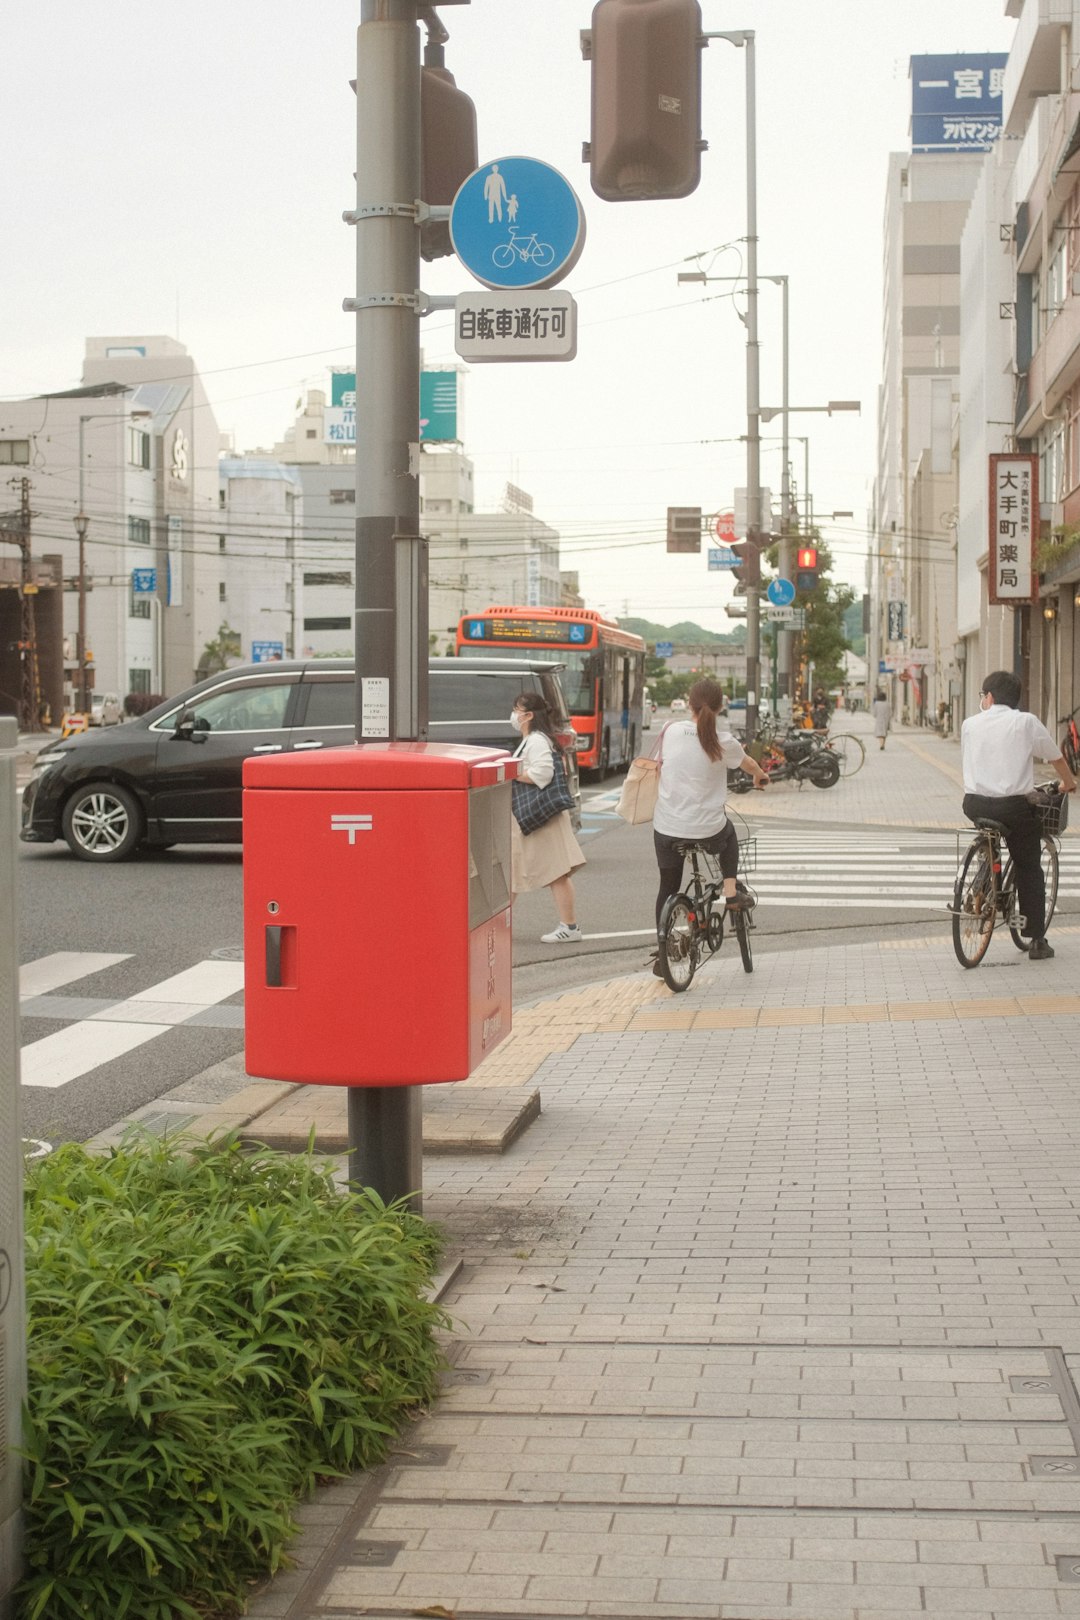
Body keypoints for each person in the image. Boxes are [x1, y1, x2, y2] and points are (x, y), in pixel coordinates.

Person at [652, 678, 769, 974]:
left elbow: (656, 767)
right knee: (729, 835)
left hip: (667, 826)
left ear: (689, 703)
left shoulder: (670, 730)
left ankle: (662, 953)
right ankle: (730, 892)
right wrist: (760, 777)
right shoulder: (724, 741)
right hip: (708, 829)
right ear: (721, 706)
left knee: (668, 886)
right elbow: (750, 766)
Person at [960, 670, 1077, 961]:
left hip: (974, 803)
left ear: (989, 697)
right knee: (1028, 866)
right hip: (1013, 807)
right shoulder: (1025, 722)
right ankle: (1035, 939)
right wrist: (1069, 782)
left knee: (991, 835)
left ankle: (985, 879)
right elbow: (1056, 757)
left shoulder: (969, 724)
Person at [510, 691, 586, 944]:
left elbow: (542, 773)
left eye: (517, 710)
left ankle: (570, 927)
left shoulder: (536, 741)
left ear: (529, 715)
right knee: (519, 871)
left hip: (541, 816)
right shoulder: (534, 739)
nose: (514, 715)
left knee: (554, 873)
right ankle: (499, 925)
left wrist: (512, 772)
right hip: (539, 816)